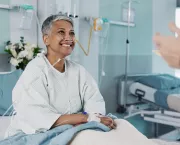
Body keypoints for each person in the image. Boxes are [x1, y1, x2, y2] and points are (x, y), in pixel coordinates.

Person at [5, 14, 116, 137]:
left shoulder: (79, 71)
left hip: (73, 130)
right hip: (31, 135)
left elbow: (95, 101)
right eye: (61, 32)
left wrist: (92, 118)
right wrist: (84, 118)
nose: (69, 38)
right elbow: (37, 117)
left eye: (72, 33)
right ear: (46, 39)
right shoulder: (35, 71)